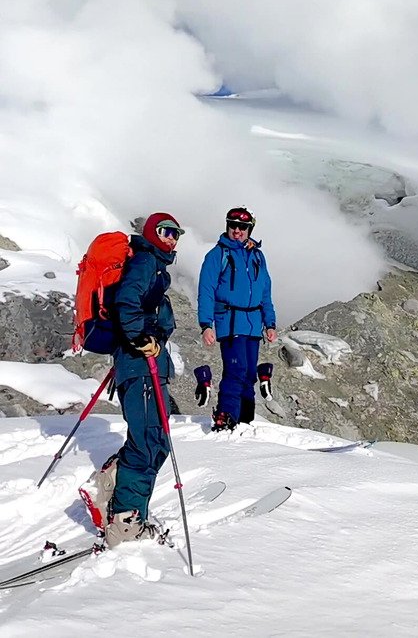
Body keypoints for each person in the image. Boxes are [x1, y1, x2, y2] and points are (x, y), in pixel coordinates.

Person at [80, 212, 184, 548]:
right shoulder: (144, 262)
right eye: (166, 231)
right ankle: (124, 525)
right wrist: (140, 339)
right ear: (152, 233)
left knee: (156, 441)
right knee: (147, 442)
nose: (172, 238)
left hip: (145, 364)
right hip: (140, 365)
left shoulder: (154, 265)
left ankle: (112, 483)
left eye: (176, 234)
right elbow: (126, 301)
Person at [197, 206, 277, 431]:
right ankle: (226, 417)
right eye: (233, 225)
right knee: (236, 370)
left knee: (250, 373)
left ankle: (245, 420)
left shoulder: (257, 256)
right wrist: (206, 325)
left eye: (242, 227)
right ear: (227, 226)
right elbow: (206, 290)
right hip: (230, 322)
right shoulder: (217, 255)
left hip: (253, 325)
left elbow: (265, 293)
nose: (237, 231)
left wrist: (270, 323)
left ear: (250, 229)